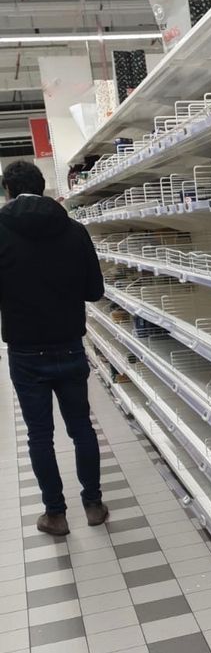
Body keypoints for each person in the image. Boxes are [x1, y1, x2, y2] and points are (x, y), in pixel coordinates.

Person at [0, 161, 107, 536]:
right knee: (82, 428)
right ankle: (93, 505)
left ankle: (55, 514)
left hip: (25, 350)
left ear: (8, 191)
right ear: (43, 186)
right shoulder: (74, 230)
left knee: (40, 435)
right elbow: (94, 291)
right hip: (68, 344)